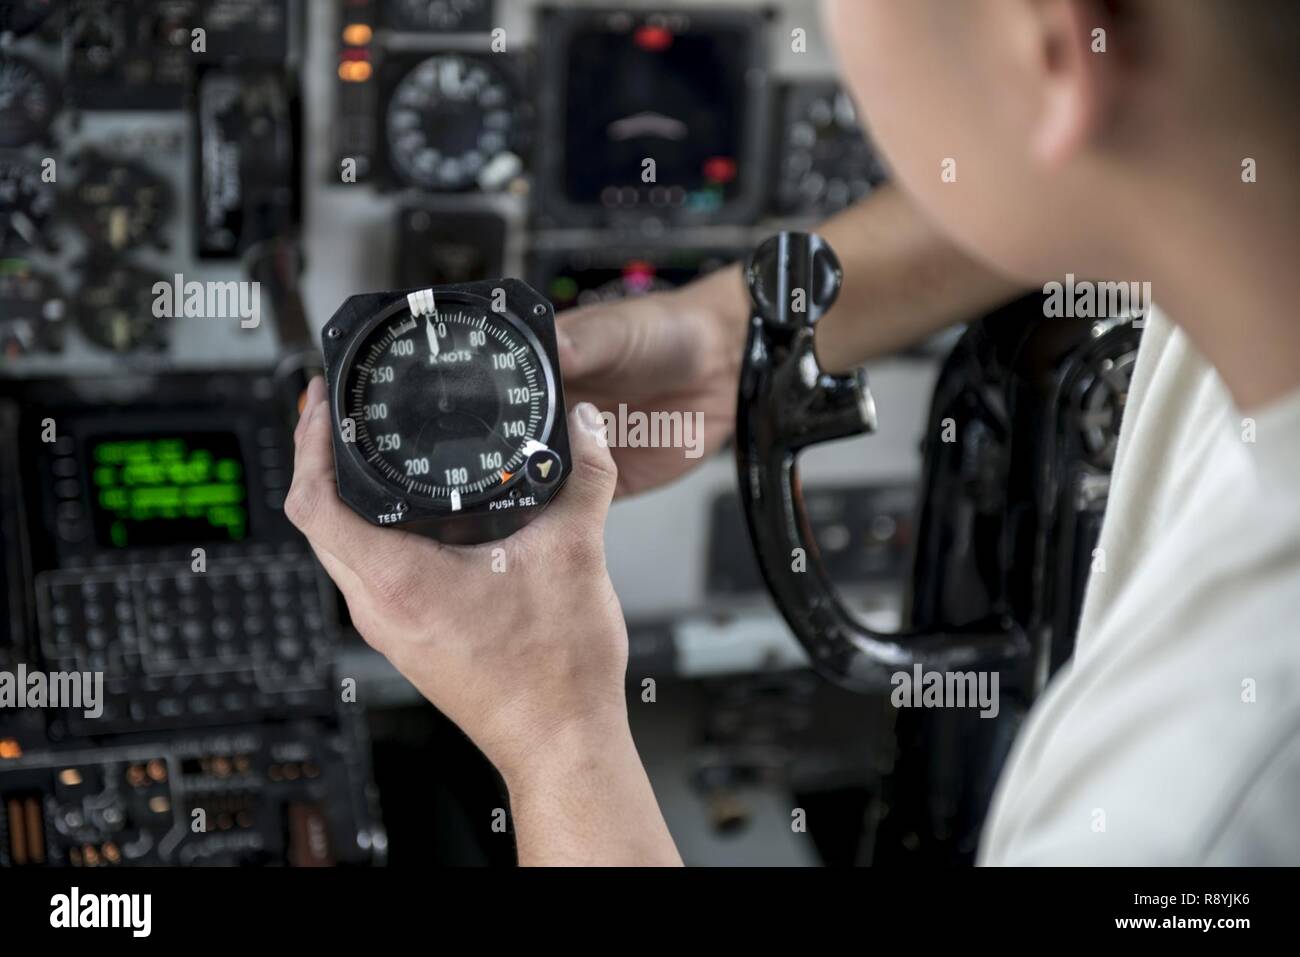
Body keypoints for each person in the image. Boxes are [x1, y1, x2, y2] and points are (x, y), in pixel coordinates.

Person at [287, 0, 1300, 865]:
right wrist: (728, 341)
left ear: (1048, 45)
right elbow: (1091, 179)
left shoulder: (1198, 812)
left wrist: (555, 735)